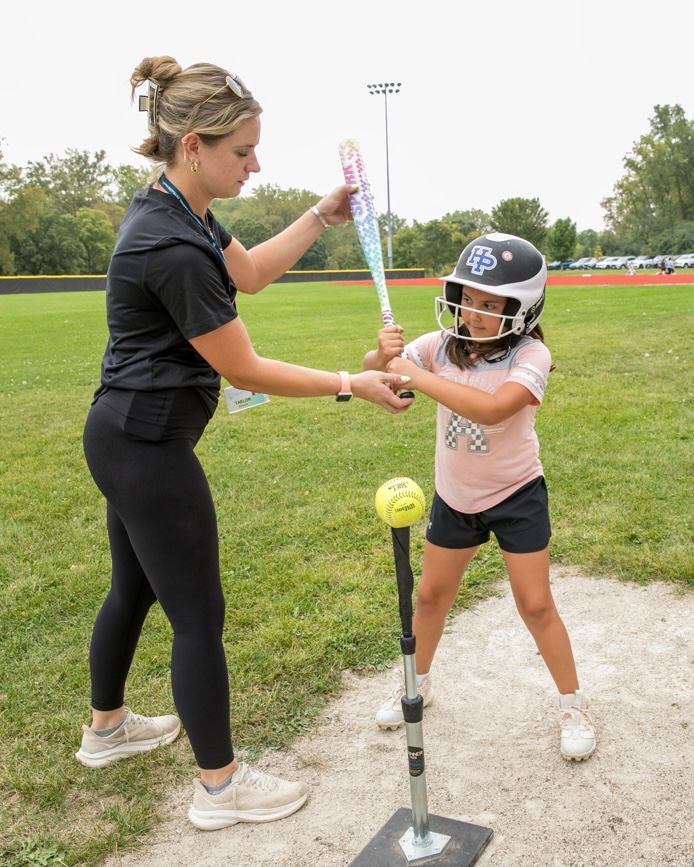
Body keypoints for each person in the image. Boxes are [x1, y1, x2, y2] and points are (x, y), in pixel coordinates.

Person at [77, 54, 414, 832]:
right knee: (198, 613)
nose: (255, 165)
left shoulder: (182, 211)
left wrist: (323, 215)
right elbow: (243, 365)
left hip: (124, 432)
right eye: (242, 152)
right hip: (147, 443)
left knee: (135, 587)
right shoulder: (169, 242)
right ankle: (220, 787)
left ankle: (107, 730)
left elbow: (254, 272)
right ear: (192, 145)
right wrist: (348, 382)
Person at [363, 233, 596, 762]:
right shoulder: (440, 346)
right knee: (430, 599)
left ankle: (573, 703)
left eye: (491, 304)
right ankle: (415, 685)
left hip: (516, 496)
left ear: (523, 306)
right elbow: (383, 369)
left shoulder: (532, 353)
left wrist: (417, 377)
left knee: (535, 605)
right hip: (455, 497)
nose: (473, 312)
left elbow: (494, 410)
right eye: (468, 298)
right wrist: (384, 353)